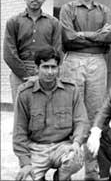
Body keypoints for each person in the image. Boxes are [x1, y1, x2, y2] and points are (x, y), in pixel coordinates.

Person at [59, 0, 111, 179]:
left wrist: (83, 35)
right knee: (71, 113)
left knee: (95, 115)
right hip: (73, 60)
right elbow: (68, 37)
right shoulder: (68, 9)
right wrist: (96, 36)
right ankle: (65, 166)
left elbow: (110, 35)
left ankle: (92, 171)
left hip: (97, 63)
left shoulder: (104, 10)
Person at [13, 47, 89, 181]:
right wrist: (25, 163)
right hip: (36, 148)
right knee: (26, 178)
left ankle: (61, 177)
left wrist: (76, 142)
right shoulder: (25, 93)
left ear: (58, 68)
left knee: (76, 158)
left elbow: (81, 121)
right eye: (45, 67)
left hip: (62, 146)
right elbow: (19, 132)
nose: (50, 72)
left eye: (53, 67)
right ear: (37, 68)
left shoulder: (71, 90)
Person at [4, 0, 62, 103]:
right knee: (21, 113)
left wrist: (43, 73)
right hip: (19, 71)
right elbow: (9, 53)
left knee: (44, 111)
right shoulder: (13, 22)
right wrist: (26, 75)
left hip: (46, 70)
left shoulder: (54, 23)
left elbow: (58, 51)